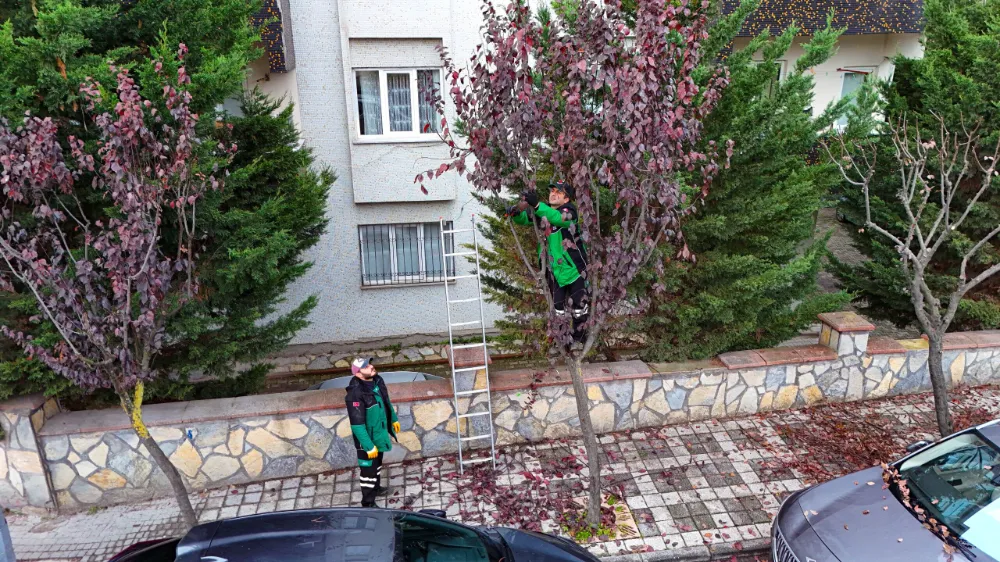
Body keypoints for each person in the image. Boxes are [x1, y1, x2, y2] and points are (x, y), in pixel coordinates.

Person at [508, 180, 589, 341]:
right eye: (552, 191)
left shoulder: (570, 211)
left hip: (574, 268)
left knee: (579, 307)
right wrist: (515, 213)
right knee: (558, 309)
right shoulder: (543, 212)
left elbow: (558, 218)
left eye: (558, 192)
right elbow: (526, 219)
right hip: (553, 270)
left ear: (566, 198)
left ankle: (579, 340)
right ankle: (563, 342)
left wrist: (538, 205)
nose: (553, 194)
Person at [345, 357, 399, 507]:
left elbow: (386, 402)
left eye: (369, 363)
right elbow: (357, 426)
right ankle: (368, 503)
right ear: (358, 373)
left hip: (379, 434)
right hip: (367, 441)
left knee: (377, 466)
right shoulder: (355, 394)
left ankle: (376, 488)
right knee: (368, 472)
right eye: (366, 367)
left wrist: (393, 419)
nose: (371, 367)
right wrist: (368, 447)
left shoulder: (377, 381)